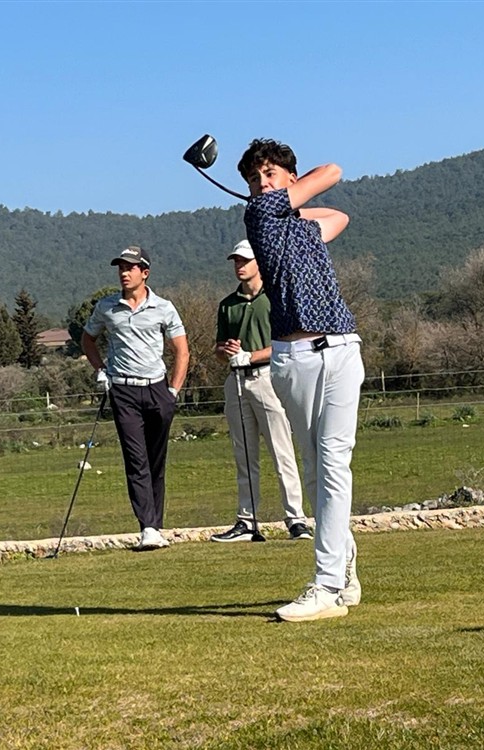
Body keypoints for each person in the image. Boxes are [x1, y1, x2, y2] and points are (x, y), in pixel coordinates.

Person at [237, 138, 363, 622]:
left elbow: (339, 216)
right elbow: (331, 172)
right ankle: (342, 564)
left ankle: (327, 585)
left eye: (270, 175)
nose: (261, 185)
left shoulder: (298, 226)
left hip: (342, 347)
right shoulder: (259, 217)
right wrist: (283, 200)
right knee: (316, 471)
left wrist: (294, 208)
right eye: (254, 179)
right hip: (294, 357)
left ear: (290, 177)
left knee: (332, 465)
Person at [81, 245, 189, 551]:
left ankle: (156, 524)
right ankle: (148, 527)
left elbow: (182, 351)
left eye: (130, 268)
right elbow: (88, 339)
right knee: (136, 459)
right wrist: (100, 370)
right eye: (121, 268)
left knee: (156, 461)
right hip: (123, 390)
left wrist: (173, 391)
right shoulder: (106, 307)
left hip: (157, 389)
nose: (124, 273)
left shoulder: (164, 308)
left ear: (145, 272)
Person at [212, 239, 311, 543]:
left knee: (282, 451)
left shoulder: (275, 299)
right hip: (236, 382)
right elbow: (218, 348)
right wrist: (228, 352)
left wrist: (251, 355)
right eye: (236, 261)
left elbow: (287, 343)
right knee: (244, 455)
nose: (239, 266)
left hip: (268, 379)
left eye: (244, 260)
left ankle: (296, 519)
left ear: (259, 263)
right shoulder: (228, 304)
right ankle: (247, 520)